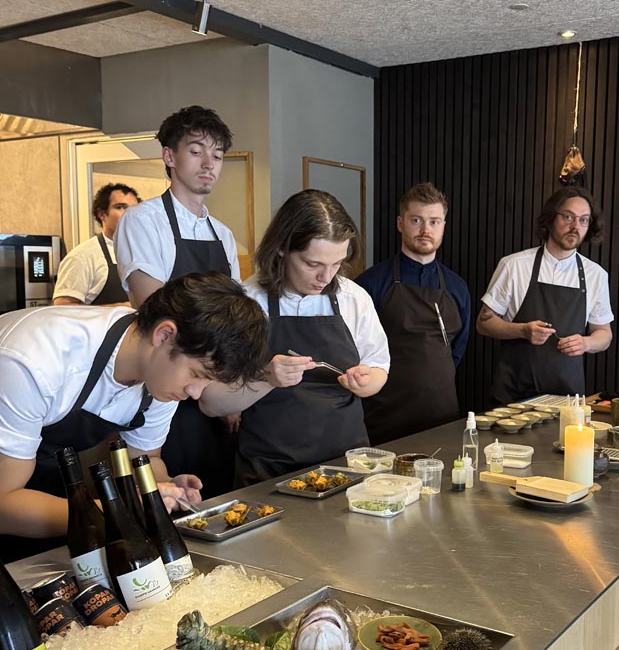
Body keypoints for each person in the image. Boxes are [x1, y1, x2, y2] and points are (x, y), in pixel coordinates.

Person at [0, 273, 267, 561]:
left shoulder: (161, 376)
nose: (196, 393)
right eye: (197, 374)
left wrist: (163, 489)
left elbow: (144, 459)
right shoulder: (34, 360)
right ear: (164, 335)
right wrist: (122, 511)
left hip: (41, 473)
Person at [201, 189, 390, 486]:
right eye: (313, 264)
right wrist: (267, 378)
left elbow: (378, 367)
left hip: (346, 465)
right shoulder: (248, 302)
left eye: (337, 264)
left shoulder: (353, 298)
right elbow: (211, 402)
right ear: (282, 249)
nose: (326, 277)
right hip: (268, 472)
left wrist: (367, 383)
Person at [114, 105, 242, 497]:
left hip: (210, 387)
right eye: (196, 151)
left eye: (217, 155)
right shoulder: (142, 220)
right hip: (162, 385)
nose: (209, 164)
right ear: (169, 156)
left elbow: (234, 319)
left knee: (216, 494)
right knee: (167, 495)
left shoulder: (222, 234)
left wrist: (229, 391)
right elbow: (155, 310)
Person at [355, 181, 470, 443]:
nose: (425, 230)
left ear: (443, 225)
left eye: (434, 222)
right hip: (384, 415)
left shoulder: (457, 287)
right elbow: (356, 348)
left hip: (441, 413)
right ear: (401, 223)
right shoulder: (370, 283)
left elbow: (458, 348)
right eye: (416, 220)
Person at [476, 187, 613, 403]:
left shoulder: (596, 275)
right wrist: (523, 330)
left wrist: (586, 343)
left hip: (568, 402)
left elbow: (604, 334)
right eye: (568, 217)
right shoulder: (514, 265)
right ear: (550, 219)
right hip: (513, 398)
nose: (575, 226)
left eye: (583, 220)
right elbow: (484, 323)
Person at [53, 182, 141, 306]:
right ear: (102, 214)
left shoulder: (145, 252)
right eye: (121, 207)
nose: (129, 214)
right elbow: (63, 307)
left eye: (134, 209)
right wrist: (116, 308)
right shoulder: (83, 256)